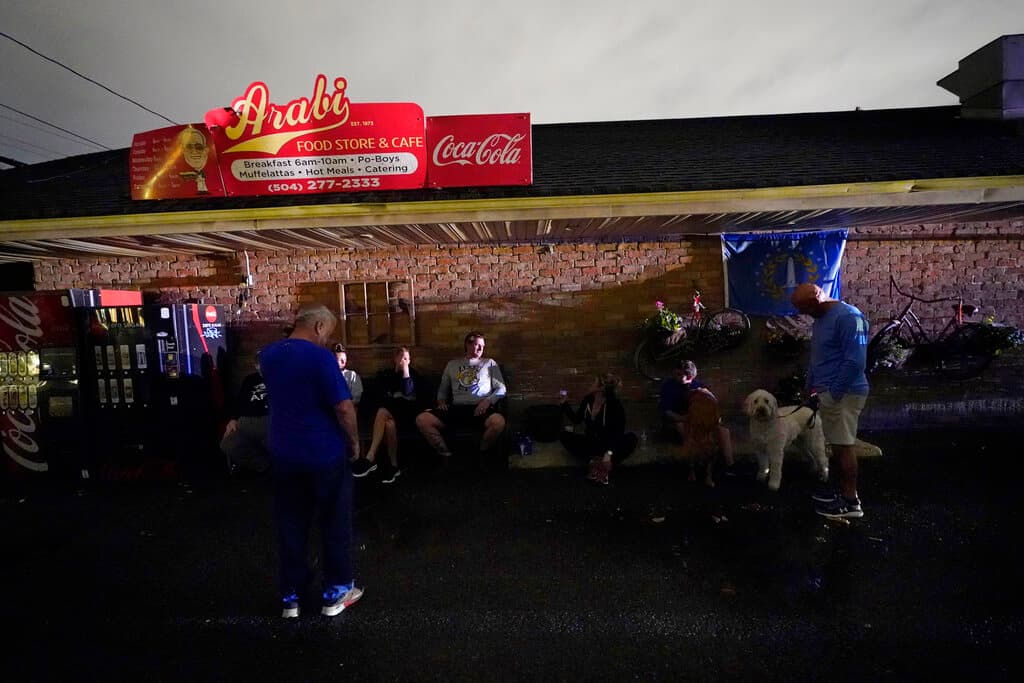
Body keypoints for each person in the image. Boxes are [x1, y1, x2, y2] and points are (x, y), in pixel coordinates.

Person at [260, 305, 363, 618]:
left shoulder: (268, 355)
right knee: (334, 522)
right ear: (319, 325)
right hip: (323, 453)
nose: (326, 340)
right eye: (327, 333)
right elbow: (344, 408)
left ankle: (291, 596)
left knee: (291, 524)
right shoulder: (320, 358)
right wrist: (354, 442)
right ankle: (336, 592)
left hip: (283, 453)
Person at [791, 282, 870, 520]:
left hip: (844, 394)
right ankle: (844, 495)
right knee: (838, 446)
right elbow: (818, 359)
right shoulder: (822, 319)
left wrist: (833, 394)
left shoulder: (849, 317)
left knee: (844, 447)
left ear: (815, 301)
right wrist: (810, 389)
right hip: (831, 393)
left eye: (803, 308)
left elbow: (856, 362)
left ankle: (850, 502)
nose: (801, 314)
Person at [415, 331, 507, 460]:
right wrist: (441, 401)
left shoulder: (489, 363)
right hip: (457, 408)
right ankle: (445, 454)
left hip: (481, 408)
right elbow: (443, 389)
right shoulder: (452, 364)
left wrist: (488, 401)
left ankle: (481, 452)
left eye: (483, 345)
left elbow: (501, 388)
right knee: (422, 419)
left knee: (498, 422)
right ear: (467, 345)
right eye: (477, 344)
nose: (481, 348)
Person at [350, 346, 421, 483]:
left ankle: (370, 457)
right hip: (389, 415)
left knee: (383, 412)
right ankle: (394, 466)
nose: (403, 361)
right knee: (389, 424)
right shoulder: (386, 375)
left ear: (410, 360)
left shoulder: (412, 374)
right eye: (400, 358)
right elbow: (378, 396)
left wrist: (405, 370)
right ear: (394, 359)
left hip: (407, 416)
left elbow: (407, 392)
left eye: (406, 358)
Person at [658, 359, 736, 473]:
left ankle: (730, 465)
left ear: (691, 376)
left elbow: (712, 403)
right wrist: (685, 418)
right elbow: (666, 411)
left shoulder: (697, 384)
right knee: (683, 428)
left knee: (724, 431)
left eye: (686, 375)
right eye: (679, 374)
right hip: (679, 419)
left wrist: (709, 397)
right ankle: (696, 463)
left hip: (699, 420)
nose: (682, 378)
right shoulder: (668, 387)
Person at [559, 373, 638, 486]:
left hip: (608, 444)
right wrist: (564, 404)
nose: (589, 384)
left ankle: (604, 464)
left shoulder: (614, 405)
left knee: (631, 438)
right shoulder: (588, 400)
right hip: (591, 442)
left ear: (601, 388)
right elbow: (576, 419)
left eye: (593, 382)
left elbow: (618, 433)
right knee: (564, 436)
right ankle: (594, 463)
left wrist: (609, 453)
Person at [219, 351, 270, 474]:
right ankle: (264, 464)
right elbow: (240, 402)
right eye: (258, 363)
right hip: (246, 422)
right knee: (227, 444)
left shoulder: (280, 378)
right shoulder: (250, 380)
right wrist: (233, 419)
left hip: (268, 420)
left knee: (246, 425)